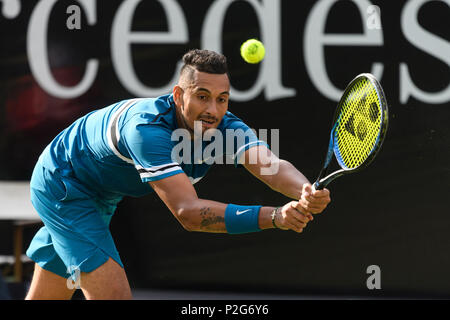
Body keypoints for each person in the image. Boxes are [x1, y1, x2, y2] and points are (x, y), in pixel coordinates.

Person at [25, 49, 331, 300]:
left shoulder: (225, 127)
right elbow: (189, 214)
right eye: (201, 96)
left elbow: (270, 166)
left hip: (102, 192)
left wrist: (304, 190)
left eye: (221, 99)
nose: (212, 109)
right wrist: (276, 216)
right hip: (64, 184)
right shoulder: (147, 131)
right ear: (177, 95)